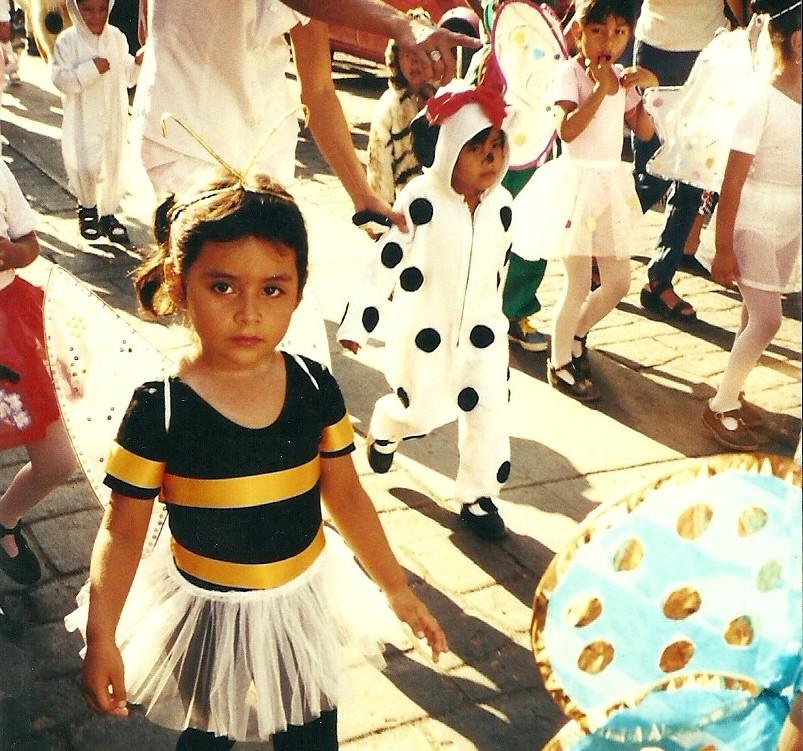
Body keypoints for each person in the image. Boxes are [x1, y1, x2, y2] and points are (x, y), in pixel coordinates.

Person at [69, 170, 448, 751]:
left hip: (299, 602)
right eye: (223, 287)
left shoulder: (313, 385)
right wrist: (102, 637)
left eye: (272, 289)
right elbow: (122, 530)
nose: (249, 313)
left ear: (299, 290)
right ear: (179, 281)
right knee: (207, 734)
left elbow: (344, 492)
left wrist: (396, 587)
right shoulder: (162, 410)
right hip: (206, 613)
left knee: (311, 734)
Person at [338, 80, 512, 542]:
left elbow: (501, 268)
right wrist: (360, 319)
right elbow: (387, 259)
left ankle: (479, 496)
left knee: (489, 413)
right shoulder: (422, 200)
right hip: (427, 332)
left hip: (485, 336)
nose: (491, 158)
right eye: (477, 147)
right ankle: (387, 427)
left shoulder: (503, 206)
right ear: (451, 149)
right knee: (419, 410)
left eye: (498, 146)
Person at [512, 0, 657, 402]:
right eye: (597, 31)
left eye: (619, 32)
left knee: (619, 281)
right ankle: (558, 363)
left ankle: (576, 333)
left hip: (610, 187)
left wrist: (645, 89)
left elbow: (644, 132)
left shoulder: (620, 78)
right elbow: (567, 132)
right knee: (577, 283)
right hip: (575, 187)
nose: (607, 41)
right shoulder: (570, 74)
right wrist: (598, 92)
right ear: (579, 32)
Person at [704, 0, 801, 451]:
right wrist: (723, 247)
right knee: (767, 319)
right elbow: (733, 180)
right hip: (754, 221)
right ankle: (720, 404)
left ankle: (736, 389)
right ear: (799, 42)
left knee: (752, 314)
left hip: (790, 224)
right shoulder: (761, 100)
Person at [635, 0, 746, 322]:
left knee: (694, 173)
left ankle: (660, 278)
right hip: (656, 48)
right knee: (649, 173)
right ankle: (599, 255)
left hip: (709, 52)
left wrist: (743, 33)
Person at [0, 160, 76, 587]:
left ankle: (4, 517)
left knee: (58, 461)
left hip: (11, 323)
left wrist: (14, 253)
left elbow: (29, 242)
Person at [51, 0, 143, 244]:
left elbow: (128, 77)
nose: (96, 16)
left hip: (114, 114)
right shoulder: (68, 41)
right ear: (76, 9)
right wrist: (90, 69)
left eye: (102, 9)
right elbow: (61, 79)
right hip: (83, 116)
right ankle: (88, 207)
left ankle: (108, 212)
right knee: (85, 164)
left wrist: (137, 63)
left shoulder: (116, 37)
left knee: (114, 162)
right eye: (89, 10)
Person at [366, 8, 437, 207]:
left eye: (420, 52)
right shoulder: (389, 108)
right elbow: (378, 166)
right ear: (395, 57)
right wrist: (382, 213)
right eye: (406, 53)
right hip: (405, 210)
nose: (413, 61)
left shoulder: (447, 98)